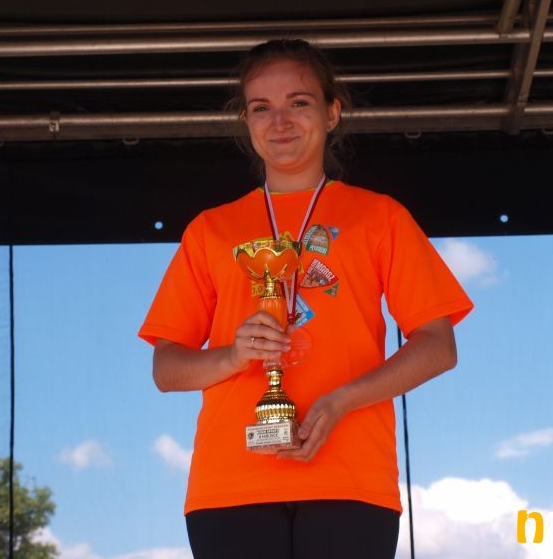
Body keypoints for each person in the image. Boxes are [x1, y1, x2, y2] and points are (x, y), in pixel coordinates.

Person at [138, 39, 473, 559]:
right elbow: (166, 369)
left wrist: (341, 402)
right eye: (261, 108)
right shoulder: (211, 230)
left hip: (351, 474)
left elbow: (437, 346)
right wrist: (233, 356)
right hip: (231, 483)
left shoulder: (380, 217)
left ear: (332, 112)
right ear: (246, 122)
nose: (280, 122)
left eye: (298, 102)